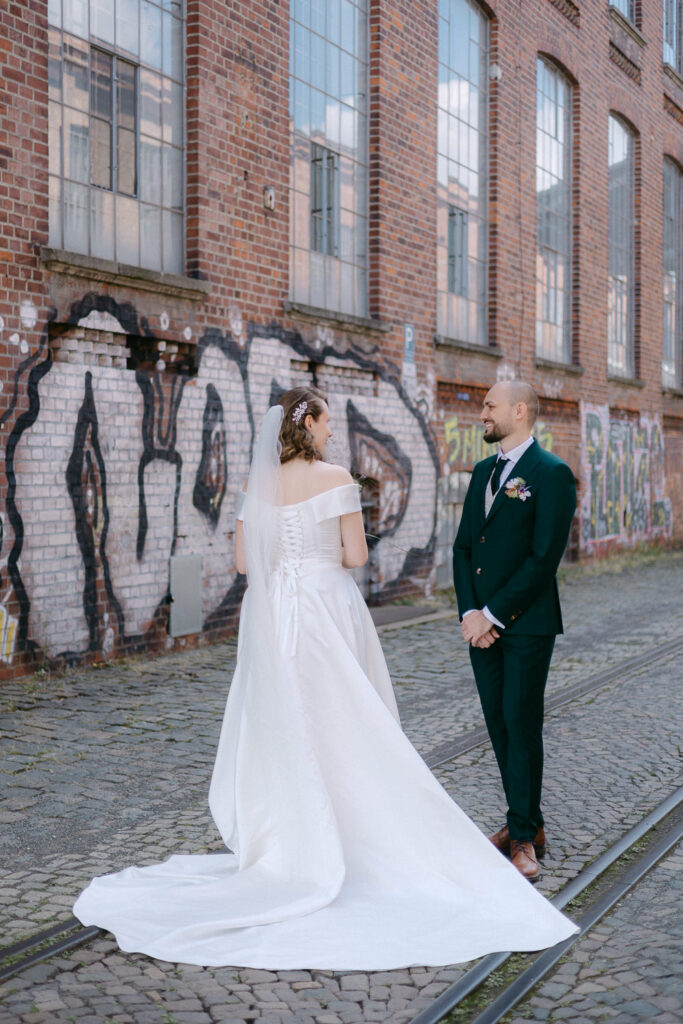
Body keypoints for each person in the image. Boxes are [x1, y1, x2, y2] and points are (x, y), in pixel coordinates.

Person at [74, 385, 577, 969]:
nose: (332, 431)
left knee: (289, 721)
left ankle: (302, 842)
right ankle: (408, 828)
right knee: (348, 719)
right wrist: (320, 556)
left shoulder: (256, 485)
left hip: (276, 614)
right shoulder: (338, 478)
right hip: (326, 607)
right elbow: (358, 557)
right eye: (327, 422)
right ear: (307, 423)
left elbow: (242, 563)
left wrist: (287, 558)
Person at [452, 380, 577, 883]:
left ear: (519, 411)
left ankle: (522, 839)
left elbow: (544, 557)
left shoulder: (551, 474)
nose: (481, 412)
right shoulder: (482, 470)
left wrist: (494, 614)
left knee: (520, 724)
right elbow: (463, 548)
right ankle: (527, 823)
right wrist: (468, 613)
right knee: (499, 726)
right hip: (479, 626)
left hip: (526, 626)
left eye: (489, 405)